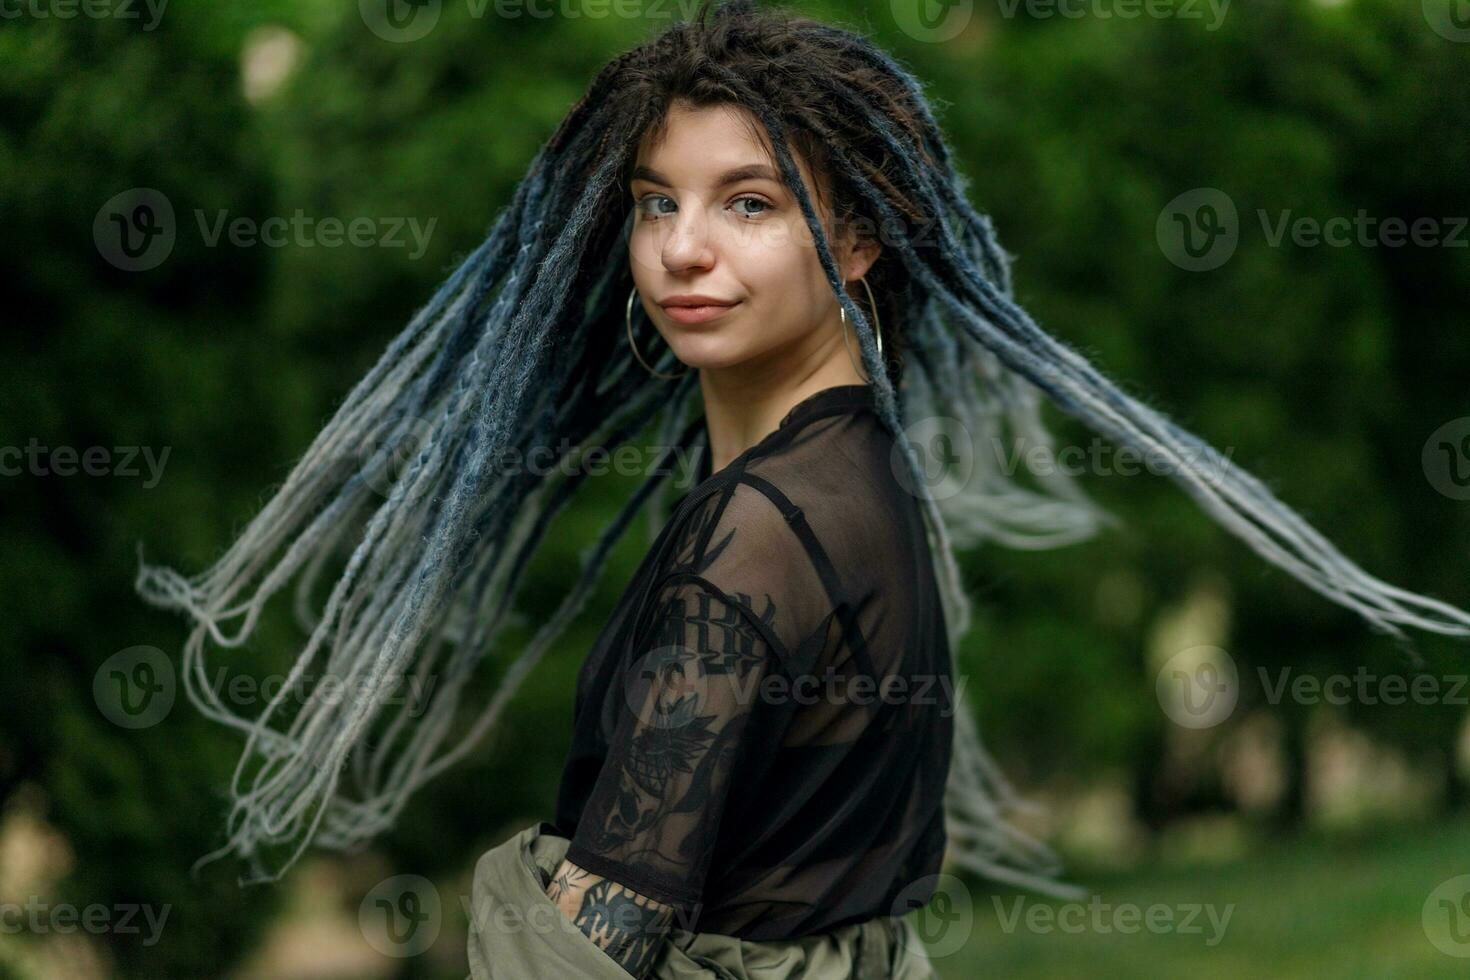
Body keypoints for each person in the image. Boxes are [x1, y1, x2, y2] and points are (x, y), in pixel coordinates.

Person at [136, 1, 1470, 976]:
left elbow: (603, 942)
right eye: (655, 203)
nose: (684, 250)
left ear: (856, 231)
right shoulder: (856, 474)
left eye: (749, 203)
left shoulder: (757, 542)